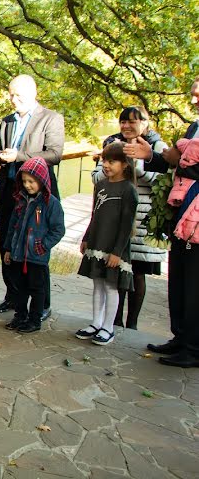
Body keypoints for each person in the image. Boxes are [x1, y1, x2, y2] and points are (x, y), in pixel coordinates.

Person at [125, 79, 199, 367]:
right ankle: (180, 337)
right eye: (192, 95)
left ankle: (193, 349)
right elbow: (173, 162)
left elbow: (181, 162)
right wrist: (152, 156)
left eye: (197, 95)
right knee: (179, 279)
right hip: (182, 217)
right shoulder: (194, 127)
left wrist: (175, 160)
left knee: (195, 284)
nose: (193, 101)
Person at [0, 74, 65, 320]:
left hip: (37, 194)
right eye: (10, 94)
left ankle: (42, 305)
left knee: (36, 248)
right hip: (9, 190)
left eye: (18, 95)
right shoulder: (7, 121)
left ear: (33, 93)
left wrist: (19, 156)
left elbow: (54, 154)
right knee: (7, 245)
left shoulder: (50, 119)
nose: (13, 99)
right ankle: (13, 297)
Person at [92, 106, 167, 330]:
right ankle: (111, 321)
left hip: (143, 217)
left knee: (138, 272)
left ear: (145, 122)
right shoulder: (112, 144)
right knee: (115, 269)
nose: (126, 126)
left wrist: (140, 165)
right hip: (113, 215)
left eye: (132, 121)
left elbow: (164, 182)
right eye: (123, 121)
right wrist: (111, 172)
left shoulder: (156, 146)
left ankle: (131, 323)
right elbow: (97, 176)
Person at [75, 142, 138, 346]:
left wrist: (117, 252)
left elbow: (126, 225)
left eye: (112, 161)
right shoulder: (100, 185)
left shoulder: (128, 190)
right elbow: (95, 213)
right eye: (104, 161)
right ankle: (96, 322)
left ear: (125, 164)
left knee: (111, 287)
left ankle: (108, 327)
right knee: (97, 284)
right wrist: (86, 237)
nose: (106, 165)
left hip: (114, 248)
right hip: (97, 242)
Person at [2, 157, 65, 334]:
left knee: (37, 290)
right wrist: (8, 248)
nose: (27, 185)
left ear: (42, 180)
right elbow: (12, 227)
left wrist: (42, 245)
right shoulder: (20, 200)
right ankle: (20, 315)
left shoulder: (50, 204)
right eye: (24, 181)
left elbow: (58, 230)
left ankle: (34, 319)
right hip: (18, 254)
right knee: (19, 288)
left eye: (31, 181)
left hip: (36, 257)